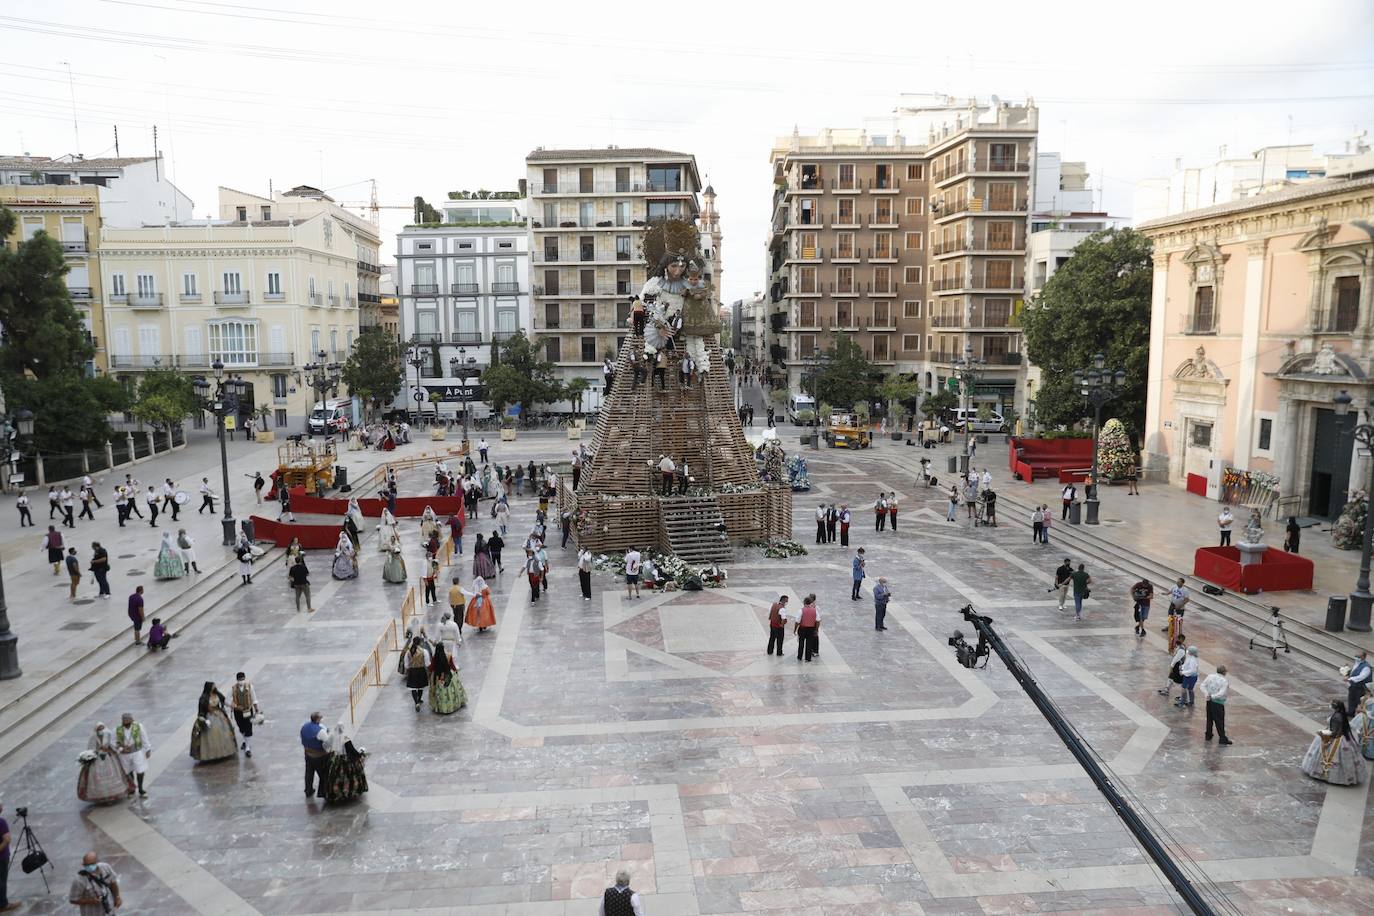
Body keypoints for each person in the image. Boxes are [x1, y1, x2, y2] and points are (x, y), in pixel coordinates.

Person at [1301, 699, 1367, 785]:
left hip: (1336, 738)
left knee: (1328, 755)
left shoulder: (1336, 717)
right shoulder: (1340, 714)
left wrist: (1326, 738)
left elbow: (1334, 732)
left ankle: (1326, 774)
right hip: (1341, 736)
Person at [77, 722, 131, 804]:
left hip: (109, 758)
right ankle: (102, 797)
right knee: (98, 778)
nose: (101, 730)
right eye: (99, 729)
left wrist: (119, 750)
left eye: (102, 728)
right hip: (98, 760)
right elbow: (91, 749)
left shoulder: (108, 735)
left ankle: (113, 795)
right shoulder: (93, 738)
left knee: (113, 776)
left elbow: (113, 745)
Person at [190, 681, 238, 762]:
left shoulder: (217, 694)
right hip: (209, 716)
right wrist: (202, 719)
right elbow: (201, 710)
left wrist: (231, 705)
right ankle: (211, 754)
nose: (214, 687)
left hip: (219, 715)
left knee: (224, 732)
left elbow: (224, 701)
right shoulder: (204, 698)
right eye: (213, 686)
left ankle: (224, 751)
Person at [323, 721, 369, 803]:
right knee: (349, 776)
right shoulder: (345, 738)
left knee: (334, 776)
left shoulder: (332, 736)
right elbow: (352, 750)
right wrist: (360, 755)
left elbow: (325, 745)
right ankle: (348, 792)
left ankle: (335, 793)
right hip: (345, 760)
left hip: (335, 759)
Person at [114, 712, 152, 797]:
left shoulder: (138, 726)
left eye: (128, 720)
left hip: (137, 752)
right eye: (125, 721)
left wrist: (148, 749)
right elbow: (114, 742)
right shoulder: (118, 729)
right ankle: (132, 789)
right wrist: (121, 749)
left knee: (140, 770)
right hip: (124, 754)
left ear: (131, 720)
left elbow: (144, 738)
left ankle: (141, 789)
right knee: (128, 771)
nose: (126, 722)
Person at [428, 643, 467, 714]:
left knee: (439, 692)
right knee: (450, 691)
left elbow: (432, 667)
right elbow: (452, 666)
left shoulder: (435, 657)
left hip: (437, 676)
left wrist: (429, 673)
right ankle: (451, 705)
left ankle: (440, 707)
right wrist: (455, 671)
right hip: (448, 675)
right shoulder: (448, 655)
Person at [1199, 665, 1232, 745]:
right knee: (1219, 720)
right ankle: (1222, 738)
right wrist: (1213, 696)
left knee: (1209, 718)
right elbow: (1222, 693)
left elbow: (1202, 685)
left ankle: (1208, 735)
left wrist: (1207, 694)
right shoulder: (1224, 681)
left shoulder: (1210, 676)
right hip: (1218, 703)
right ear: (1224, 672)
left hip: (1209, 701)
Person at [228, 672, 259, 757]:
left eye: (242, 679)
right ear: (237, 680)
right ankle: (245, 741)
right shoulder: (233, 689)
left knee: (248, 728)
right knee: (241, 728)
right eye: (240, 679)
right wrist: (233, 705)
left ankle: (248, 748)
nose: (241, 681)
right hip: (238, 712)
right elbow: (229, 699)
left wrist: (256, 709)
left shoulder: (250, 687)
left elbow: (254, 698)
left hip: (248, 710)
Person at [301, 711, 331, 798]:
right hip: (319, 756)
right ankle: (324, 792)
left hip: (307, 753)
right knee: (323, 774)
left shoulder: (305, 726)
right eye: (320, 718)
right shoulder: (320, 731)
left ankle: (308, 790)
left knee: (309, 773)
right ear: (317, 720)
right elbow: (328, 743)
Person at [404, 636, 431, 710]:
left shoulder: (408, 652)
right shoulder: (424, 651)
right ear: (420, 642)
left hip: (412, 671)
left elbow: (406, 664)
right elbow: (427, 663)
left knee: (413, 687)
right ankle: (419, 699)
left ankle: (416, 702)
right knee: (420, 686)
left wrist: (408, 669)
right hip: (421, 670)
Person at [795, 594, 820, 662]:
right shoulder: (815, 610)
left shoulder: (801, 610)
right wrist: (816, 629)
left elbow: (797, 621)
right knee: (809, 644)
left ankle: (799, 656)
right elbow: (818, 621)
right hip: (811, 629)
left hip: (802, 629)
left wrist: (795, 629)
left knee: (801, 643)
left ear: (804, 602)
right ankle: (808, 658)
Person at [1347, 651, 1371, 715]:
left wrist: (1350, 679)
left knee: (1359, 700)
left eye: (1359, 657)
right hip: (1353, 685)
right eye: (1356, 656)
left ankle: (1359, 714)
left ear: (1364, 657)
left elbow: (1361, 677)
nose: (1356, 658)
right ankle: (1351, 712)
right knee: (1351, 698)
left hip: (1361, 687)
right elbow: (1354, 671)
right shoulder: (1357, 663)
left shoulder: (1366, 667)